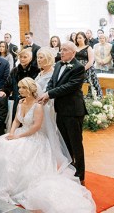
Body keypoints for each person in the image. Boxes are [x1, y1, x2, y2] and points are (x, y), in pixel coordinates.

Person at [0, 78, 95, 212]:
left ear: (31, 90)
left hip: (33, 137)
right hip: (19, 133)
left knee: (16, 153)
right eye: (19, 88)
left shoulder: (38, 106)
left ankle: (12, 186)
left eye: (23, 88)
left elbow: (36, 127)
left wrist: (18, 136)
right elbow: (15, 121)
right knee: (2, 145)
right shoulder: (20, 102)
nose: (19, 90)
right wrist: (12, 133)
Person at [38, 41, 87, 183]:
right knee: (64, 143)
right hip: (60, 109)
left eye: (65, 50)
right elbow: (52, 82)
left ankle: (80, 174)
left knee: (76, 143)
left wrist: (49, 94)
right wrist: (47, 92)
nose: (62, 52)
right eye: (61, 50)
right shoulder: (58, 64)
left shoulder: (78, 68)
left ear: (73, 52)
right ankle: (69, 169)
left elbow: (69, 87)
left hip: (73, 110)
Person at [1, 48, 39, 121]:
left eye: (25, 57)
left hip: (30, 102)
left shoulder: (36, 70)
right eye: (21, 57)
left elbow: (36, 88)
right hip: (17, 100)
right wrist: (4, 91)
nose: (22, 59)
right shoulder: (15, 70)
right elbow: (8, 85)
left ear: (30, 58)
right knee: (17, 121)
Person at [75, 31, 102, 97]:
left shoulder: (88, 48)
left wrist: (82, 69)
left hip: (87, 70)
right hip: (76, 69)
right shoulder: (75, 48)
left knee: (89, 85)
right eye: (77, 38)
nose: (78, 39)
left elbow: (91, 61)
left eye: (80, 38)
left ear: (84, 38)